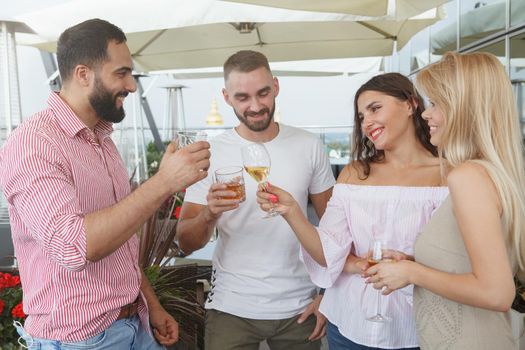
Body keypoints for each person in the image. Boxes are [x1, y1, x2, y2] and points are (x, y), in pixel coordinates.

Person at [0, 19, 211, 349]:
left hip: (134, 325)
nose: (131, 85)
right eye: (121, 73)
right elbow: (75, 247)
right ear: (83, 74)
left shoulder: (102, 140)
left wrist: (151, 306)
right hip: (79, 341)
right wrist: (164, 182)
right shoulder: (34, 144)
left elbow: (120, 242)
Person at [257, 73, 449, 350]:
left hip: (415, 328)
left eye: (375, 108)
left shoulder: (447, 175)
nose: (367, 122)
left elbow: (456, 260)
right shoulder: (354, 173)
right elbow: (328, 254)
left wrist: (409, 265)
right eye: (361, 116)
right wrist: (291, 211)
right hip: (348, 325)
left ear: (410, 105)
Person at [176, 50, 335, 350]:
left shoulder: (309, 146)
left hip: (299, 308)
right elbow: (186, 243)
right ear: (226, 97)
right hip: (231, 308)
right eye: (242, 97)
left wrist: (328, 294)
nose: (256, 106)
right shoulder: (209, 152)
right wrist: (210, 213)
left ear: (276, 86)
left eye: (263, 93)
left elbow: (334, 229)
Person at [365, 52, 525, 349]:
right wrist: (414, 262)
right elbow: (473, 263)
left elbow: (497, 293)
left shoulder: (467, 177)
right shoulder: (493, 172)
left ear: (464, 108)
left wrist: (413, 272)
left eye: (436, 104)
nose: (426, 114)